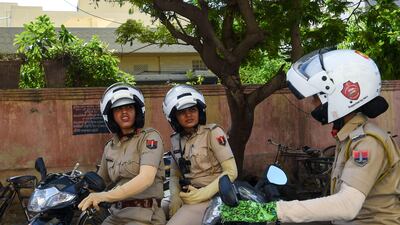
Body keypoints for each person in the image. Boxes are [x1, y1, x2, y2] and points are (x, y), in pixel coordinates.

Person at [221, 49, 400, 224]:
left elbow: (347, 205)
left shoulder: (367, 143)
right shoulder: (348, 139)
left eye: (316, 96)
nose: (313, 102)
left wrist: (276, 211)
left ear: (341, 94)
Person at [78, 83, 166, 225]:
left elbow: (146, 178)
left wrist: (104, 196)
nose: (124, 112)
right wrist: (78, 187)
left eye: (129, 107)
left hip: (145, 215)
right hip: (116, 215)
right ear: (111, 115)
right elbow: (100, 183)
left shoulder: (149, 137)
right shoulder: (110, 147)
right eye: (118, 109)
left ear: (137, 111)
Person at [162, 84, 238, 225]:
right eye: (182, 112)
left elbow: (231, 172)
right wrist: (174, 197)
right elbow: (174, 175)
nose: (188, 114)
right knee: (152, 213)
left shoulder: (212, 133)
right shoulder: (176, 140)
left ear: (200, 112)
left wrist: (201, 195)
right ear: (173, 117)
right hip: (188, 194)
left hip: (212, 196)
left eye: (192, 109)